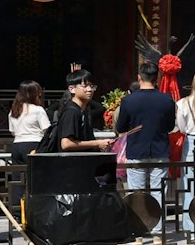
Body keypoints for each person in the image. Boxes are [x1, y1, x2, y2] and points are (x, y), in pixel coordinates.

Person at [115, 61, 179, 197]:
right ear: (157, 78)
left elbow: (121, 127)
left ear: (139, 78)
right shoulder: (166, 100)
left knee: (136, 194)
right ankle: (159, 219)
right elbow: (170, 126)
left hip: (136, 150)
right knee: (159, 193)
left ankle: (138, 218)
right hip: (160, 149)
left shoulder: (128, 100)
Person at [47, 70, 111, 153]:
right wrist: (97, 143)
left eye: (92, 86)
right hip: (72, 163)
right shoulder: (71, 112)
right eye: (84, 86)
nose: (90, 90)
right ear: (72, 89)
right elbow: (66, 144)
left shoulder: (82, 111)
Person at [7, 80, 49, 167]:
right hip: (34, 143)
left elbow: (12, 131)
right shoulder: (38, 110)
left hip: (17, 145)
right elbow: (46, 129)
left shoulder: (14, 111)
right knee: (35, 174)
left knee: (18, 176)